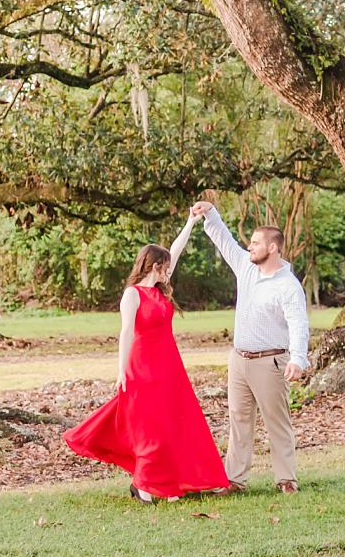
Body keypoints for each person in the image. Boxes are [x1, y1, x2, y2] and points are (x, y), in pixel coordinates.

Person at [63, 215, 228, 503]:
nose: (169, 271)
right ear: (154, 266)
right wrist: (121, 371)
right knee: (150, 428)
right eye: (165, 267)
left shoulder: (159, 289)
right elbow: (125, 333)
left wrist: (190, 221)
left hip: (169, 366)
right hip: (143, 366)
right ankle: (146, 484)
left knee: (172, 423)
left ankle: (165, 481)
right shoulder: (133, 294)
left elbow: (176, 250)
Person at [190, 200, 310, 495]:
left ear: (273, 248)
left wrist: (298, 359)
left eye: (256, 243)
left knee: (277, 421)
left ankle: (286, 479)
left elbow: (298, 323)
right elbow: (225, 240)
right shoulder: (246, 266)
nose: (250, 247)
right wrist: (211, 213)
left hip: (270, 362)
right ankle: (235, 479)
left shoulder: (288, 285)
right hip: (239, 359)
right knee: (239, 420)